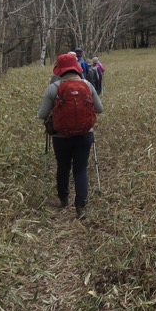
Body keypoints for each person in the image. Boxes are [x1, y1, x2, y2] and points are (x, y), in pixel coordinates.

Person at [38, 52, 104, 218]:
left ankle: (63, 199)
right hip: (84, 134)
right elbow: (100, 109)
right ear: (76, 67)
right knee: (80, 169)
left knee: (63, 167)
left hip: (61, 137)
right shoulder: (87, 85)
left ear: (59, 70)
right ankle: (80, 207)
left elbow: (41, 114)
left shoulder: (54, 88)